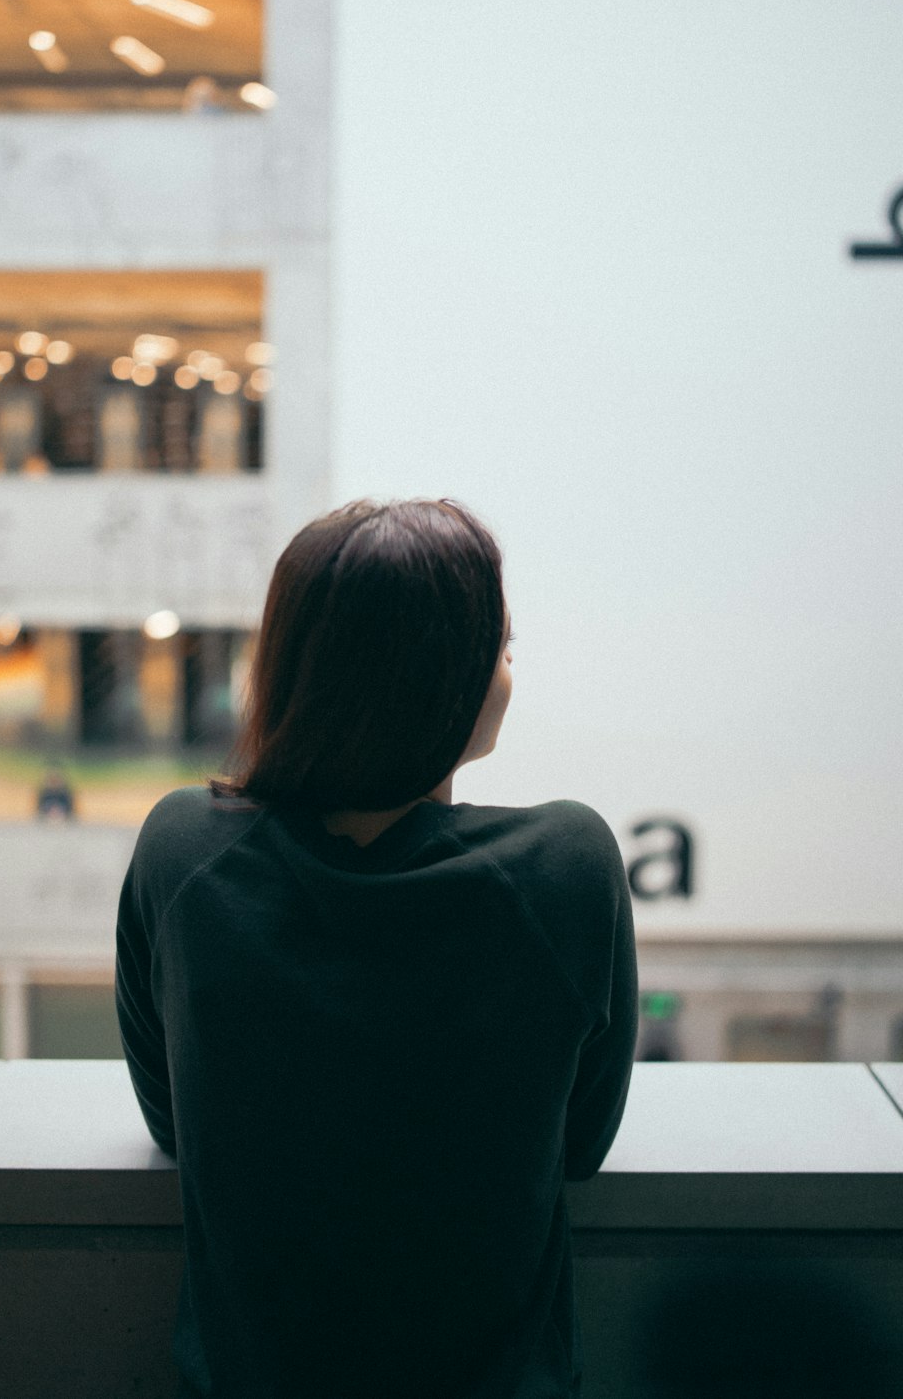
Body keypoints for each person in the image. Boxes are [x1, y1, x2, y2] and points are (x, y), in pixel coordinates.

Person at [116, 498, 637, 1399]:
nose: (509, 671)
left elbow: (175, 1122)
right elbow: (580, 1144)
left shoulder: (185, 853)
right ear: (448, 679)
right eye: (501, 648)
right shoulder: (566, 867)